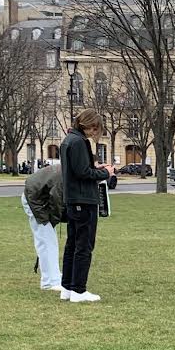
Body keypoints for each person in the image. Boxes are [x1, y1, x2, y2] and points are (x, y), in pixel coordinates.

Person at [60, 109, 115, 303]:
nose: (94, 132)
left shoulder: (69, 140)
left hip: (74, 200)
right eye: (94, 128)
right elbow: (83, 172)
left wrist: (95, 169)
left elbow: (79, 170)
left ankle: (67, 286)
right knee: (84, 245)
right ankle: (78, 289)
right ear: (89, 125)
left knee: (72, 244)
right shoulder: (77, 142)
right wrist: (105, 173)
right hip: (83, 200)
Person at [22, 164, 66, 291]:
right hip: (35, 200)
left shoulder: (64, 170)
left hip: (37, 197)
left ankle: (53, 277)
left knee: (48, 241)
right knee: (47, 242)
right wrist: (53, 220)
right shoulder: (62, 176)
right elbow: (57, 202)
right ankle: (50, 281)